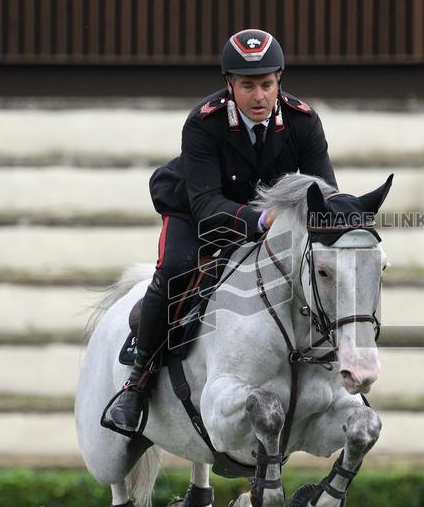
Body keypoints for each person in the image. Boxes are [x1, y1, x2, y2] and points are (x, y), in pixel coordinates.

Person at [101, 29, 338, 436]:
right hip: (198, 212)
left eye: (267, 84)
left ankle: (339, 368)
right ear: (229, 84)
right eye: (248, 86)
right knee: (176, 267)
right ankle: (137, 382)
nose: (259, 96)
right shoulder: (203, 122)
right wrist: (264, 221)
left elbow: (324, 194)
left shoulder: (303, 121)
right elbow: (207, 205)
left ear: (280, 79)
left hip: (268, 218)